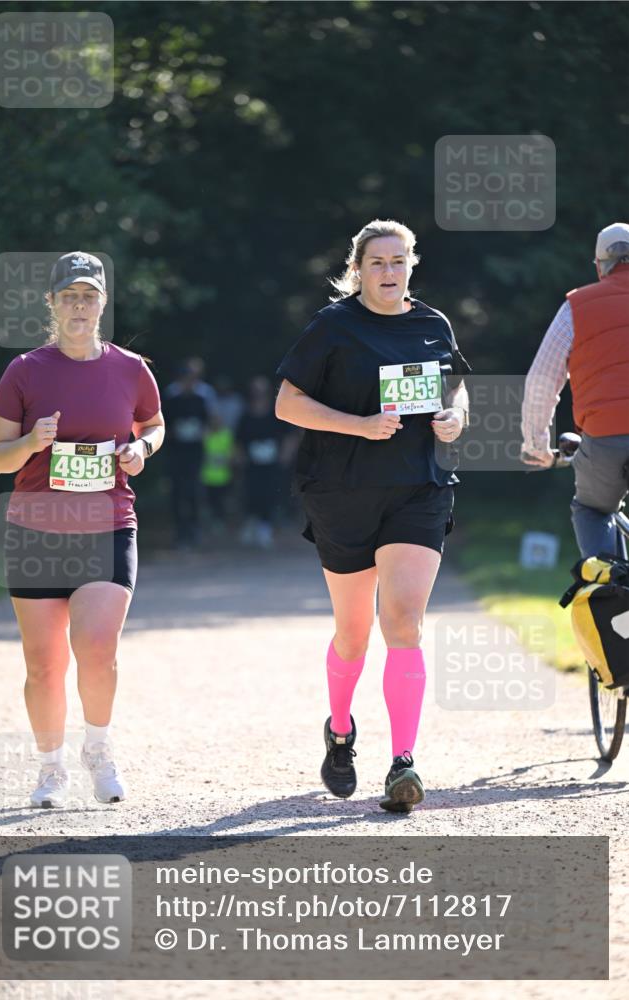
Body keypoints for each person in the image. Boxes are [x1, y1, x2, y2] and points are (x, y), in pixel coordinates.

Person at [275, 219, 470, 813]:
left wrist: (456, 417)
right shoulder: (334, 326)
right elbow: (288, 403)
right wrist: (358, 425)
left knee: (404, 623)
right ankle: (339, 731)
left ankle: (404, 764)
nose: (388, 272)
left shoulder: (432, 323)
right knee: (354, 635)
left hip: (418, 486)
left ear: (413, 263)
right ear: (357, 269)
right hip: (342, 490)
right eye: (376, 262)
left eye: (398, 260)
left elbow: (456, 387)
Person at [0, 252, 164, 808]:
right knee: (43, 664)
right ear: (53, 304)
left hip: (107, 524)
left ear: (103, 303)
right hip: (35, 532)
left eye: (89, 296)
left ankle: (99, 749)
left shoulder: (131, 368)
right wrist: (30, 443)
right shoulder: (25, 371)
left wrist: (141, 448)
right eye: (70, 296)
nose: (79, 305)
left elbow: (154, 424)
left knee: (97, 646)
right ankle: (50, 769)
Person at [522, 222, 629, 558]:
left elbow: (542, 379)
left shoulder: (577, 306)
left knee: (593, 510)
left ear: (599, 265)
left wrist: (537, 445)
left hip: (604, 440)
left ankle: (605, 589)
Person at [236, 375, 291, 549]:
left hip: (272, 462)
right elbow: (238, 440)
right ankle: (252, 522)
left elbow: (290, 435)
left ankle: (265, 527)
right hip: (252, 464)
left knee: (270, 493)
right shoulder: (245, 415)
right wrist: (240, 456)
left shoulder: (276, 413)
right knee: (252, 492)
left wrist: (285, 453)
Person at [162, 361, 209, 548]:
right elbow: (163, 426)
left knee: (194, 491)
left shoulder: (200, 399)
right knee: (177, 492)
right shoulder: (171, 400)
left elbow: (207, 424)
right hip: (176, 453)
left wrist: (197, 432)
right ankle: (180, 531)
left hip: (195, 453)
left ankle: (195, 529)